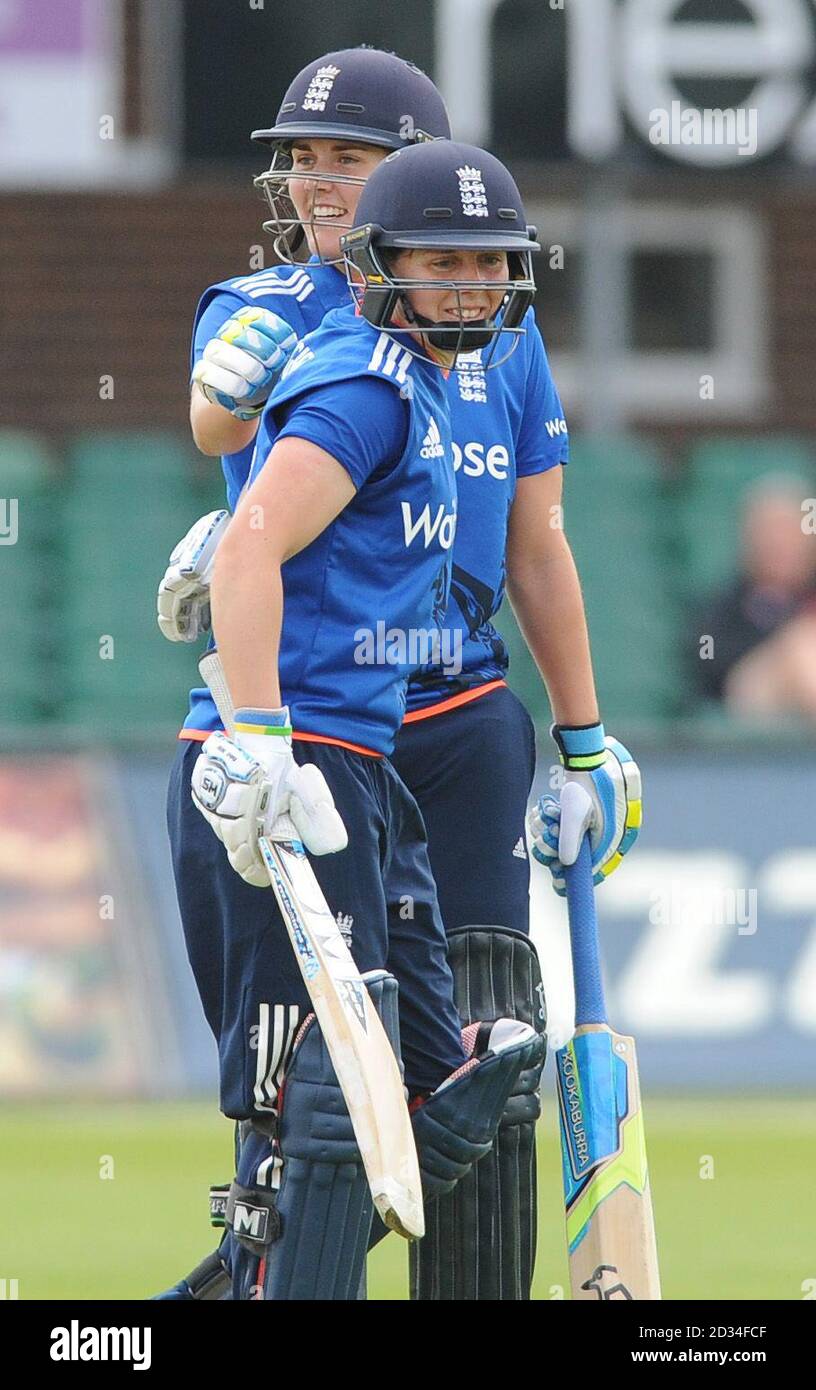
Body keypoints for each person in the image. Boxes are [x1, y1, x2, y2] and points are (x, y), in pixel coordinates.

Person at [157, 46, 642, 1302]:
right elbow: (215, 419)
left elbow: (535, 544)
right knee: (311, 1068)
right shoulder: (278, 312)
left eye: (349, 159)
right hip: (311, 719)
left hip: (452, 711)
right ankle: (267, 1268)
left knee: (474, 1043)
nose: (318, 181)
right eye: (303, 160)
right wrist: (245, 525)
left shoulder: (487, 331)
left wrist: (583, 738)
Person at [692, 473, 816, 720]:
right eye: (769, 532)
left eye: (789, 532)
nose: (779, 543)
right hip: (750, 703)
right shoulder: (723, 606)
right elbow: (711, 666)